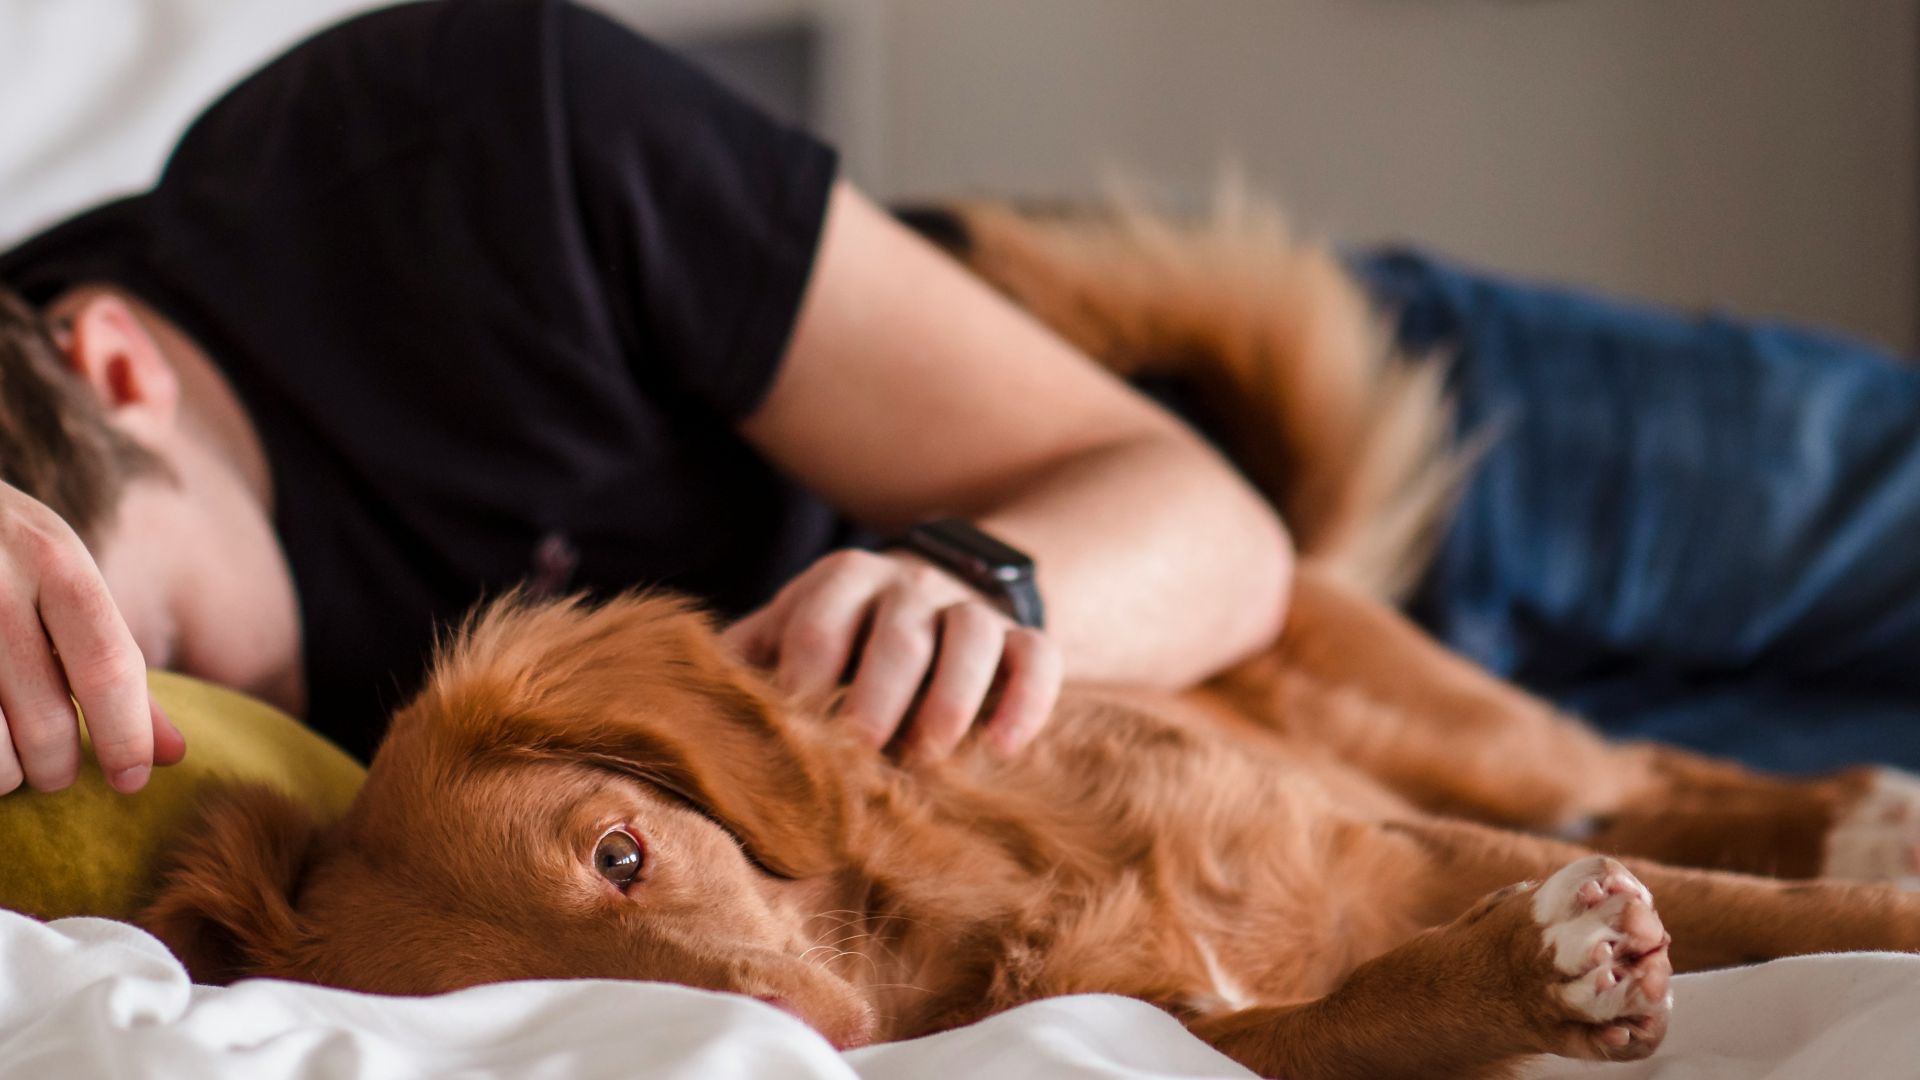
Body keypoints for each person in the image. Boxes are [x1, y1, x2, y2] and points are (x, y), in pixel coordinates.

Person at [0, 0, 1290, 794]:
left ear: (121, 370)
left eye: (152, 654)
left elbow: (1216, 529)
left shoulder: (492, 138)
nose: (157, 749)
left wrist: (966, 589)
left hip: (1220, 360)